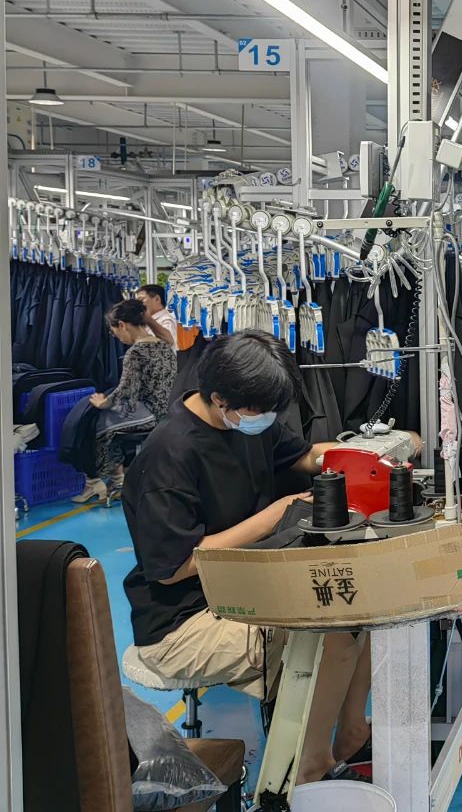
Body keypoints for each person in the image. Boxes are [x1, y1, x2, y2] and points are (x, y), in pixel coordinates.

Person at [121, 331, 415, 784]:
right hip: (182, 622)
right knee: (329, 640)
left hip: (243, 587)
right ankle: (308, 770)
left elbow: (305, 456)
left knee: (364, 609)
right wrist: (275, 514)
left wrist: (374, 454)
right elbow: (175, 567)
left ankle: (352, 734)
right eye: (262, 411)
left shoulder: (245, 417)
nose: (268, 419)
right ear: (220, 399)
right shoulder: (169, 455)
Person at [72, 299, 177, 504]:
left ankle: (101, 482)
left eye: (115, 332)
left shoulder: (135, 353)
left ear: (122, 325)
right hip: (165, 409)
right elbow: (168, 337)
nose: (117, 338)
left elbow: (126, 390)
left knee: (97, 425)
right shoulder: (164, 345)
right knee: (106, 421)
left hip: (149, 413)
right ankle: (114, 480)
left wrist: (104, 403)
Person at [137, 283, 177, 349]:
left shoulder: (166, 320)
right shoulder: (148, 320)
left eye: (141, 300)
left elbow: (167, 342)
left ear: (157, 299)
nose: (138, 304)